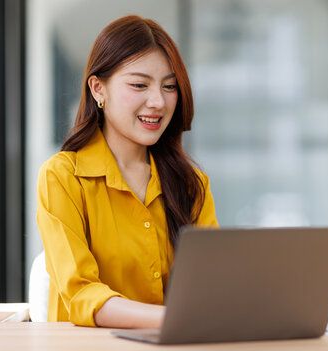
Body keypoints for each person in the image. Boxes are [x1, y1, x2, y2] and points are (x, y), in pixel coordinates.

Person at [36, 15, 218, 329]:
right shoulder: (62, 177)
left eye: (169, 86)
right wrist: (175, 318)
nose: (158, 101)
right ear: (98, 89)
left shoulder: (192, 184)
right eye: (139, 85)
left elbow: (213, 286)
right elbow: (82, 294)